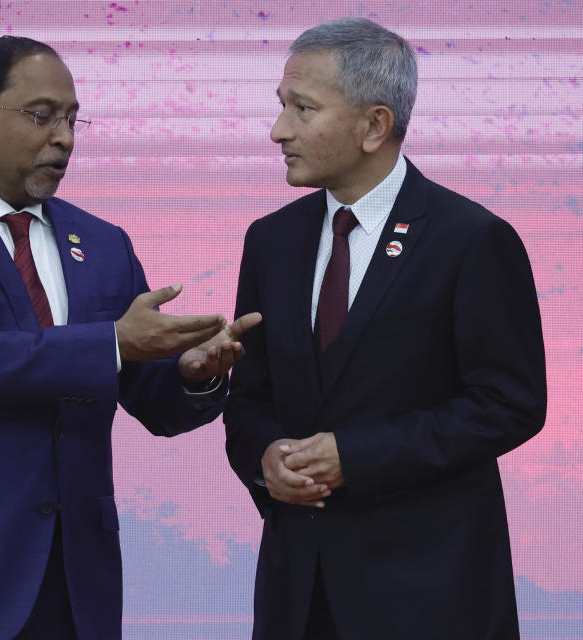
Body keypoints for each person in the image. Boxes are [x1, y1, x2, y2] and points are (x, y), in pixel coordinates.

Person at [0, 36, 260, 640]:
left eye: (72, 119)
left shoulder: (102, 242)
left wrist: (191, 373)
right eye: (42, 116)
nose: (65, 137)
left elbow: (152, 399)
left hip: (76, 582)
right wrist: (115, 345)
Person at [224, 18, 546, 640]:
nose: (278, 130)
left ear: (375, 125)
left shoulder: (471, 240)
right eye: (281, 106)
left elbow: (510, 404)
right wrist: (267, 459)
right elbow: (250, 403)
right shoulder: (272, 242)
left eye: (303, 109)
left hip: (430, 596)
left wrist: (359, 457)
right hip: (299, 597)